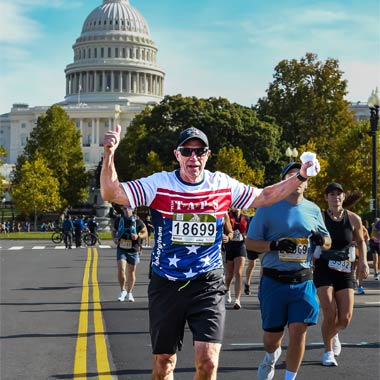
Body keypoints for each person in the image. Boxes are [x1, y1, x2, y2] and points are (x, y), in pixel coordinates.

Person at [101, 125, 319, 380]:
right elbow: (111, 192)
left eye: (199, 151)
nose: (193, 158)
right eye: (187, 151)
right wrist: (109, 153)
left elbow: (266, 195)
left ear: (207, 154)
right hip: (167, 283)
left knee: (208, 361)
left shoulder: (221, 184)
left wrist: (301, 177)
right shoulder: (159, 184)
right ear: (177, 155)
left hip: (208, 283)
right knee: (164, 363)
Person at [245, 162, 331, 380]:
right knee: (272, 338)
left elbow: (327, 239)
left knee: (298, 330)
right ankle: (270, 356)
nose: (298, 179)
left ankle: (290, 378)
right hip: (274, 281)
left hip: (303, 280)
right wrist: (274, 246)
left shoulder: (313, 209)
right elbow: (251, 243)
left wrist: (323, 241)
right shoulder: (267, 207)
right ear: (285, 180)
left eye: (301, 175)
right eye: (292, 175)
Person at [313, 182, 369, 367]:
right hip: (324, 268)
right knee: (329, 312)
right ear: (326, 198)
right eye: (331, 194)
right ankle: (328, 352)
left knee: (345, 318)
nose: (335, 197)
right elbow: (310, 241)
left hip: (345, 268)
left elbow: (361, 241)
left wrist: (362, 263)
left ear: (343, 197)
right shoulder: (319, 218)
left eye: (339, 194)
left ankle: (332, 333)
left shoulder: (354, 219)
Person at [113, 205, 148, 302]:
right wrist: (114, 238)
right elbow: (114, 231)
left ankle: (129, 292)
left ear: (132, 210)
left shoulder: (137, 221)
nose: (126, 210)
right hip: (122, 248)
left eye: (128, 208)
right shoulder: (119, 220)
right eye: (124, 208)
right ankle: (122, 290)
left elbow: (145, 232)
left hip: (133, 249)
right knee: (121, 269)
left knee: (131, 272)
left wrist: (138, 236)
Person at [224, 207, 249, 309]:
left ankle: (237, 300)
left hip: (240, 246)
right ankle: (227, 290)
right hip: (229, 246)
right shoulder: (227, 217)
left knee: (238, 273)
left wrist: (247, 237)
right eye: (235, 204)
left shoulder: (246, 218)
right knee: (229, 274)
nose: (236, 207)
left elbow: (250, 233)